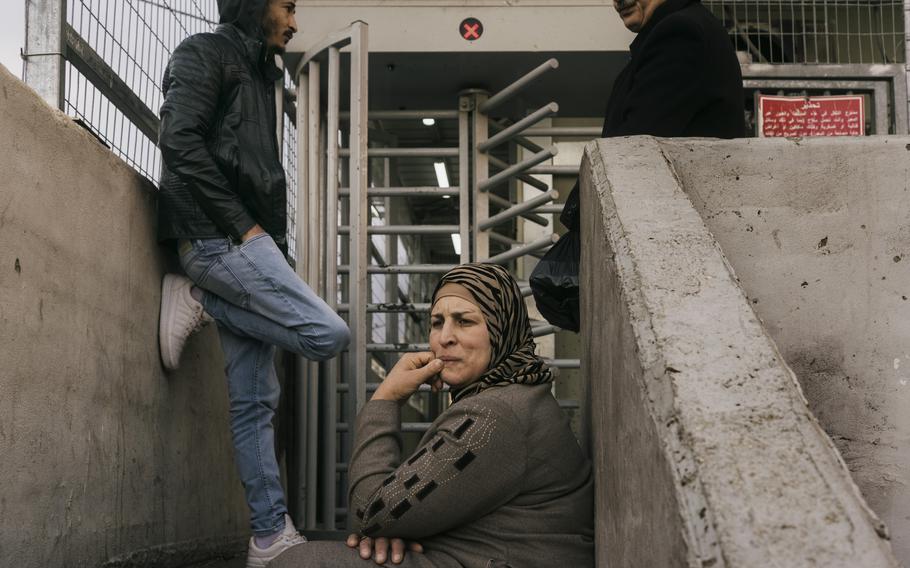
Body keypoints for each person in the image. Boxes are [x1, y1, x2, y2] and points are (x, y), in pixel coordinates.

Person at [155, 1, 350, 566]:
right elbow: (179, 140)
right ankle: (201, 300)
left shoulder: (263, 74)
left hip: (248, 244)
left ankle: (268, 537)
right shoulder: (205, 52)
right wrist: (243, 228)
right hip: (220, 240)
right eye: (288, 5)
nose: (294, 20)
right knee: (327, 334)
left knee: (254, 404)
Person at [271, 263, 594, 567]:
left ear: (501, 328)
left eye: (464, 321)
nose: (444, 337)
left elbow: (368, 514)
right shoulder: (516, 395)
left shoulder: (494, 413)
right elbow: (386, 517)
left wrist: (386, 399)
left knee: (298, 562)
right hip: (483, 556)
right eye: (437, 322)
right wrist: (394, 530)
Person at [534, 0, 745, 330]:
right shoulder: (678, 32)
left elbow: (633, 146)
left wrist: (580, 214)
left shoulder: (679, 34)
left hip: (680, 248)